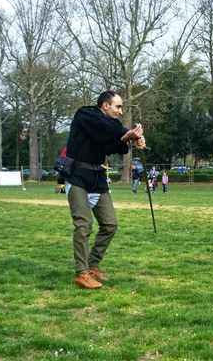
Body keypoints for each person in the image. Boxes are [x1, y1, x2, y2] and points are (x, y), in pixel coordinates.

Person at [64, 90, 146, 289]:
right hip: (77, 177)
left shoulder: (111, 127)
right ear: (105, 105)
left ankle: (93, 265)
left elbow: (113, 146)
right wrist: (128, 133)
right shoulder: (85, 114)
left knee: (110, 225)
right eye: (118, 106)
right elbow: (108, 126)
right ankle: (81, 273)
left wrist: (130, 139)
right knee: (84, 225)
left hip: (98, 178)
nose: (120, 111)